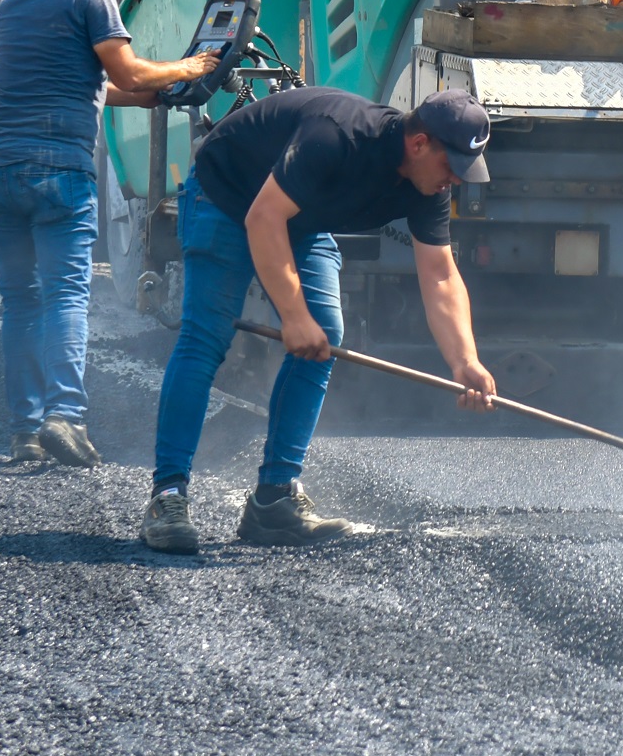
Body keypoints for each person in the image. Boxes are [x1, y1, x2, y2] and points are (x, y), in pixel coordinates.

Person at [142, 86, 501, 553]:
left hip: (297, 219)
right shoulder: (336, 136)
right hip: (227, 198)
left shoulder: (428, 183)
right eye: (452, 166)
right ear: (419, 144)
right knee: (206, 337)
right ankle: (168, 496)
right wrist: (292, 315)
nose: (455, 180)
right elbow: (262, 218)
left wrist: (465, 361)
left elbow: (439, 276)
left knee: (324, 337)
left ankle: (274, 502)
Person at [0, 0, 221, 470]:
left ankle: (25, 431)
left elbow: (94, 86)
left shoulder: (13, 5)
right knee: (64, 294)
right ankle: (66, 415)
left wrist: (154, 96)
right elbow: (127, 71)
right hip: (57, 168)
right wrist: (188, 68)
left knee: (19, 300)